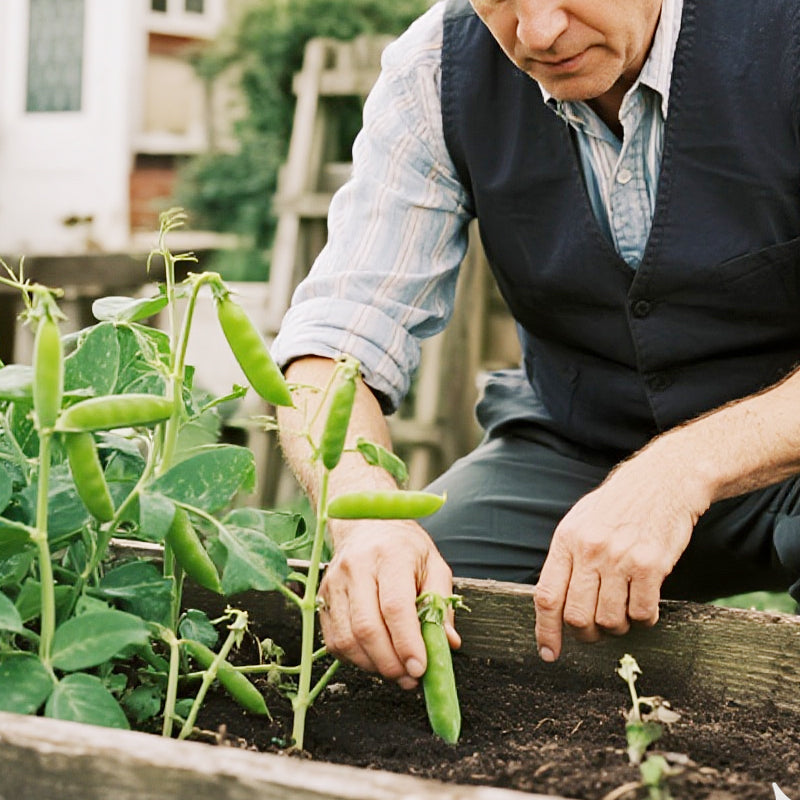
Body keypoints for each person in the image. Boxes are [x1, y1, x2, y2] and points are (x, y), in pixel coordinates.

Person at [272, 0, 800, 692]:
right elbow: (334, 342)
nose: (540, 32)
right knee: (401, 620)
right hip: (576, 443)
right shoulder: (436, 67)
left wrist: (678, 472)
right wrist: (364, 516)